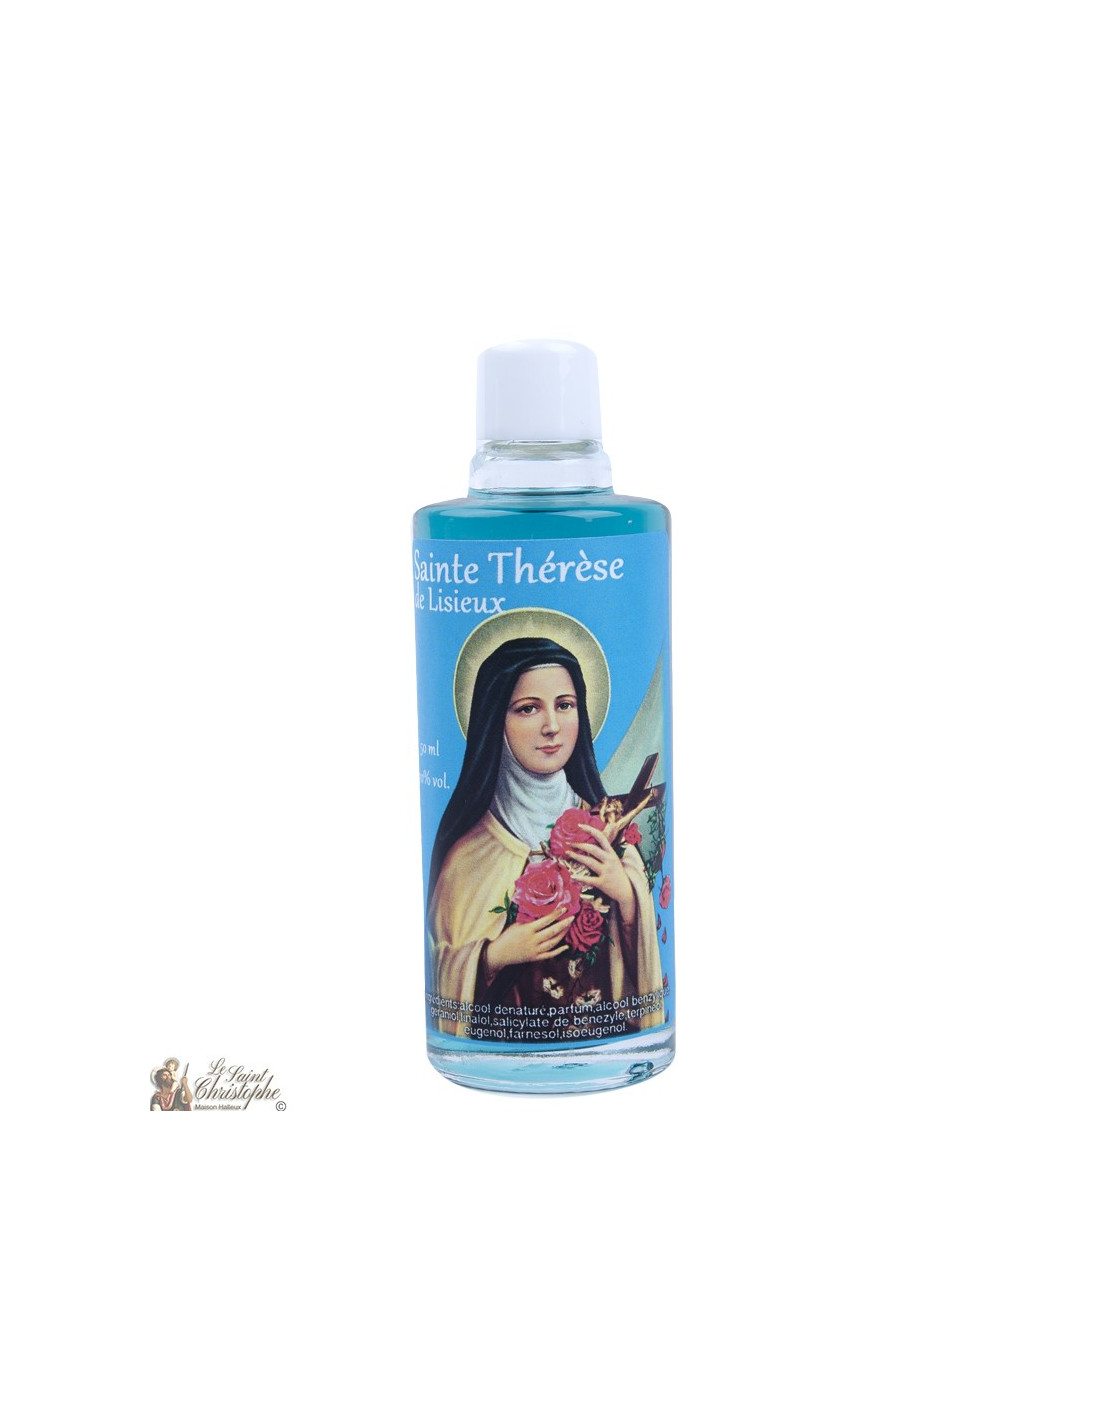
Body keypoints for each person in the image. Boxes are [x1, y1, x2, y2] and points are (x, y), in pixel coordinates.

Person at [428, 636, 662, 1037]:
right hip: (499, 1046)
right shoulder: (467, 859)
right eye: (528, 708)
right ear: (495, 721)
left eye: (565, 705)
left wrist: (625, 894)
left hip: (604, 1040)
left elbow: (643, 977)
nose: (552, 726)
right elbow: (439, 968)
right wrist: (494, 956)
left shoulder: (607, 835)